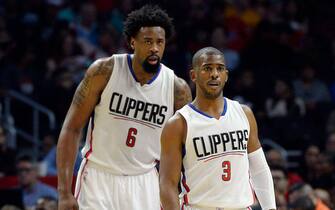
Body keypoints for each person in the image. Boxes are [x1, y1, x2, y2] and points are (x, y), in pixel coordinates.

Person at [57, 4, 192, 210]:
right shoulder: (104, 71)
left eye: (159, 42)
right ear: (132, 42)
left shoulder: (177, 89)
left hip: (145, 181)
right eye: (147, 41)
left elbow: (186, 151)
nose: (154, 48)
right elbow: (72, 128)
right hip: (98, 176)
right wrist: (64, 192)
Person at [160, 47, 276, 210]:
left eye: (219, 68)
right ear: (193, 75)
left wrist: (270, 208)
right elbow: (167, 184)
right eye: (207, 68)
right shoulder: (179, 123)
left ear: (226, 76)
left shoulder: (244, 113)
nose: (214, 73)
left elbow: (259, 169)